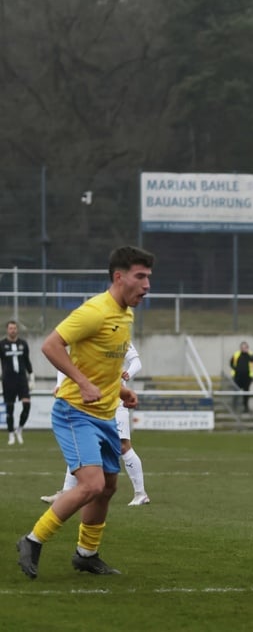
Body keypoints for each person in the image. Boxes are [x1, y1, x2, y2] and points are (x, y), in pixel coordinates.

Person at [16, 245, 154, 580]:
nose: (147, 285)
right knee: (91, 485)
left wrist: (121, 390)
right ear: (119, 277)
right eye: (140, 277)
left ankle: (86, 554)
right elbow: (50, 345)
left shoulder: (126, 315)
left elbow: (101, 364)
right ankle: (32, 540)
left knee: (107, 487)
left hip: (105, 414)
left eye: (149, 277)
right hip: (74, 412)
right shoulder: (95, 311)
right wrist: (81, 382)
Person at [41, 342, 151, 507]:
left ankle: (140, 493)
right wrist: (59, 384)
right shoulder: (84, 333)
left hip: (114, 399)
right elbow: (65, 361)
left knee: (123, 446)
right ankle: (65, 492)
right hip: (90, 400)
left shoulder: (117, 333)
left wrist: (127, 373)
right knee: (80, 442)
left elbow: (136, 362)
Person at [1, 320, 34, 445]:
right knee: (10, 408)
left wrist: (32, 378)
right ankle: (11, 434)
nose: (12, 330)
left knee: (26, 405)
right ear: (7, 330)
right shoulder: (2, 344)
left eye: (14, 328)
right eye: (10, 328)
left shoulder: (23, 344)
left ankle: (19, 429)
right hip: (8, 380)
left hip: (21, 380)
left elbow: (27, 362)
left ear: (17, 330)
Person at [230, 341, 253, 412]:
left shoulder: (250, 354)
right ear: (240, 348)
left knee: (246, 392)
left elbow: (252, 359)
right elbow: (231, 363)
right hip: (238, 376)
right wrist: (236, 369)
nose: (243, 349)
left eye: (245, 347)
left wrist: (247, 353)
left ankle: (246, 407)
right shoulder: (236, 354)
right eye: (242, 347)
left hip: (247, 377)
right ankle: (234, 406)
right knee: (236, 391)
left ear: (247, 348)